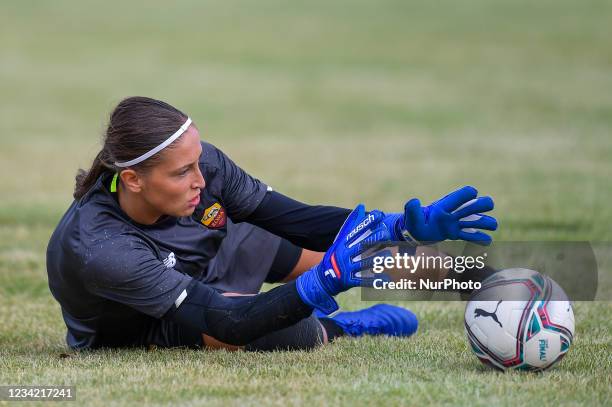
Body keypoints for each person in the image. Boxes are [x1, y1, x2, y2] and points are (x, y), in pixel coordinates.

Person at [46, 96, 498, 351]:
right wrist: (322, 285)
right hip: (144, 320)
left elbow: (290, 219)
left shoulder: (202, 171)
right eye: (182, 172)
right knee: (286, 327)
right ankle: (345, 325)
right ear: (132, 180)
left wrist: (399, 227)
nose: (201, 179)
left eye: (197, 162)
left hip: (196, 254)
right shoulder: (102, 249)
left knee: (321, 254)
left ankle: (482, 283)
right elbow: (228, 323)